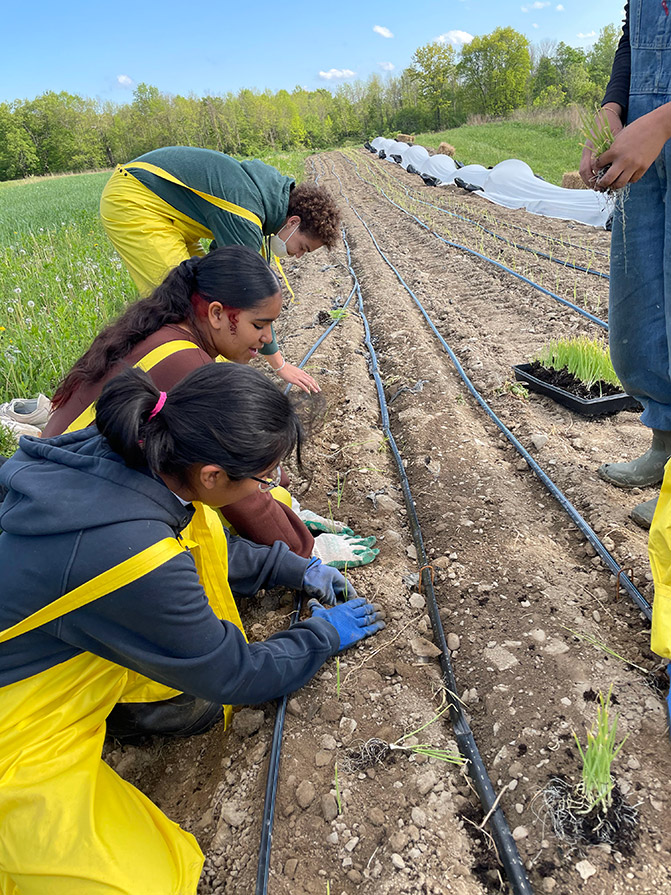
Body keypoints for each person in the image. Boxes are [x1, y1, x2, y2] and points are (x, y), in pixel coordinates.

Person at [0, 363, 384, 895]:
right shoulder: (130, 553)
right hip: (15, 712)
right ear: (211, 476)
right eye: (267, 479)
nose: (276, 487)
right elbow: (232, 673)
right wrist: (322, 636)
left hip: (55, 638)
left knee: (185, 697)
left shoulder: (135, 453)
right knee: (129, 879)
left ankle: (126, 716)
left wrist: (290, 566)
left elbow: (200, 544)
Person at [43, 245, 378, 571]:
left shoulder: (170, 332)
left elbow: (246, 464)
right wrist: (302, 549)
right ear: (217, 314)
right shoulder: (188, 364)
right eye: (259, 325)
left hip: (60, 478)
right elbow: (236, 488)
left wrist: (282, 499)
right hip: (64, 510)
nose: (267, 338)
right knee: (205, 511)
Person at [100, 145, 342, 395]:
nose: (298, 255)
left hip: (169, 213)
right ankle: (204, 389)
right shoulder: (246, 213)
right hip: (136, 202)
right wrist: (280, 366)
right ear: (293, 222)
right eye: (302, 247)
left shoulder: (260, 198)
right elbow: (246, 296)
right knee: (187, 306)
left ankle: (211, 379)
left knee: (206, 295)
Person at [580, 0, 671, 528]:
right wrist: (612, 110)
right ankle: (665, 444)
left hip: (655, 134)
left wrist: (660, 123)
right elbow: (632, 38)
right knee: (641, 313)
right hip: (642, 156)